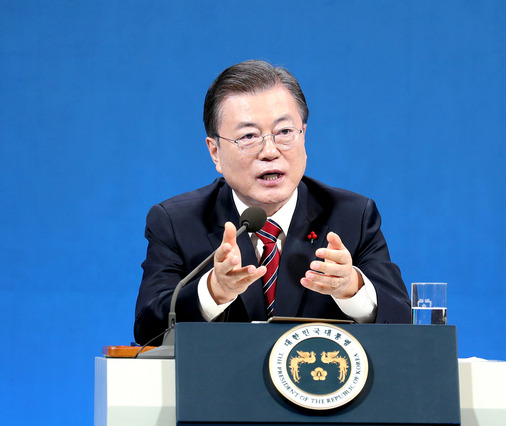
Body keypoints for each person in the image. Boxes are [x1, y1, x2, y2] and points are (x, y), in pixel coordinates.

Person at [134, 60, 410, 345]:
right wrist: (213, 291)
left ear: (304, 135)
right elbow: (147, 331)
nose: (269, 151)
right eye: (249, 136)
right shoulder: (176, 222)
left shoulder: (352, 216)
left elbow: (404, 322)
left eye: (285, 132)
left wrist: (352, 288)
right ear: (215, 152)